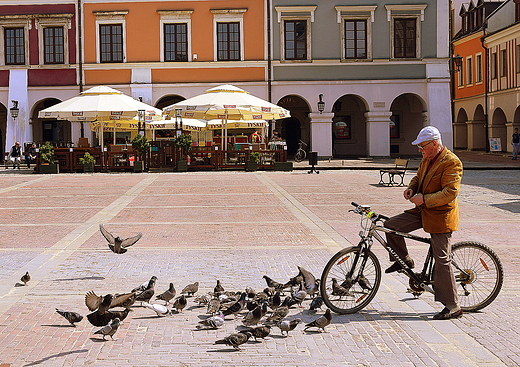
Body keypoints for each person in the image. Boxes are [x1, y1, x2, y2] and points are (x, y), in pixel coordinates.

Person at [384, 126, 463, 320]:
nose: (420, 150)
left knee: (442, 261)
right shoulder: (427, 158)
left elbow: (450, 192)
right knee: (390, 225)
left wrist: (425, 200)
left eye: (422, 146)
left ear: (434, 144)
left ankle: (453, 306)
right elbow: (418, 178)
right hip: (422, 210)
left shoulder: (452, 162)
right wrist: (411, 189)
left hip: (440, 215)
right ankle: (404, 261)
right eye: (419, 147)